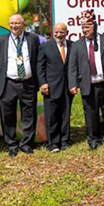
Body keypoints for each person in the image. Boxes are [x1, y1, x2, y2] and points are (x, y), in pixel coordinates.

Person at [68, 9, 104, 150]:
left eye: (87, 27)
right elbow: (72, 67)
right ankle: (93, 139)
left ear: (95, 26)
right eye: (82, 27)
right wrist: (72, 84)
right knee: (90, 114)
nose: (84, 30)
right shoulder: (77, 45)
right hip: (88, 85)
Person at [0, 14, 41, 156]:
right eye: (11, 23)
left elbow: (36, 58)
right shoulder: (0, 41)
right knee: (7, 114)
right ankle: (11, 144)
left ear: (23, 25)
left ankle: (26, 143)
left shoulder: (33, 39)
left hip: (27, 82)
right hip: (8, 83)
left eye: (17, 23)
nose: (14, 26)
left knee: (29, 113)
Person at [37, 22, 74, 153]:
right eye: (56, 32)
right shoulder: (46, 46)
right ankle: (52, 143)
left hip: (68, 86)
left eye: (62, 32)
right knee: (52, 115)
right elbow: (40, 67)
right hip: (51, 86)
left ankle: (64, 141)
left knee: (65, 114)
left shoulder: (72, 46)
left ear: (66, 33)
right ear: (53, 32)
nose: (59, 34)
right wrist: (43, 83)